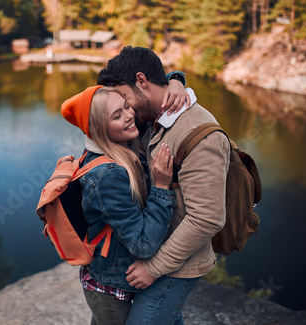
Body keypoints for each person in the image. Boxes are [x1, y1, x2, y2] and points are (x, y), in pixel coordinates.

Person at [97, 46, 230, 324]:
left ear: (142, 81)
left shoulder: (200, 135)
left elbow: (207, 218)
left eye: (123, 97)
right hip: (156, 248)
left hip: (177, 266)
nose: (124, 109)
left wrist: (153, 268)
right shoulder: (152, 115)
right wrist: (176, 78)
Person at [60, 81, 185, 325]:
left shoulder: (119, 144)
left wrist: (176, 81)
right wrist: (161, 187)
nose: (130, 116)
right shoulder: (108, 175)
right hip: (112, 291)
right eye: (117, 116)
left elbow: (151, 84)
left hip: (115, 280)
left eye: (127, 106)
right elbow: (143, 245)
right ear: (99, 129)